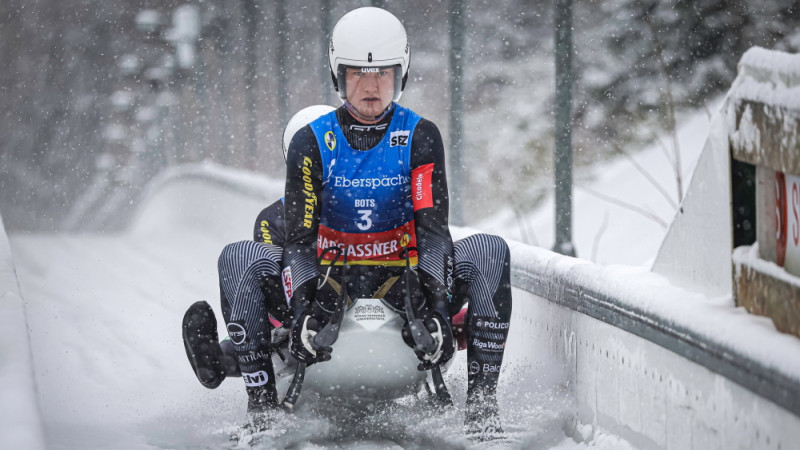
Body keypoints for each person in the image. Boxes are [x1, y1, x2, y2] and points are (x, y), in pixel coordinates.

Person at [281, 7, 512, 436]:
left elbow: (432, 230)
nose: (371, 88)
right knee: (247, 258)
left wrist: (440, 310)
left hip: (406, 293)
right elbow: (298, 239)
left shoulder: (421, 136)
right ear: (339, 76)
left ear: (399, 75)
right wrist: (302, 312)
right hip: (332, 294)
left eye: (382, 75)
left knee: (490, 250)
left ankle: (482, 412)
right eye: (358, 75)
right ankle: (261, 411)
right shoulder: (310, 141)